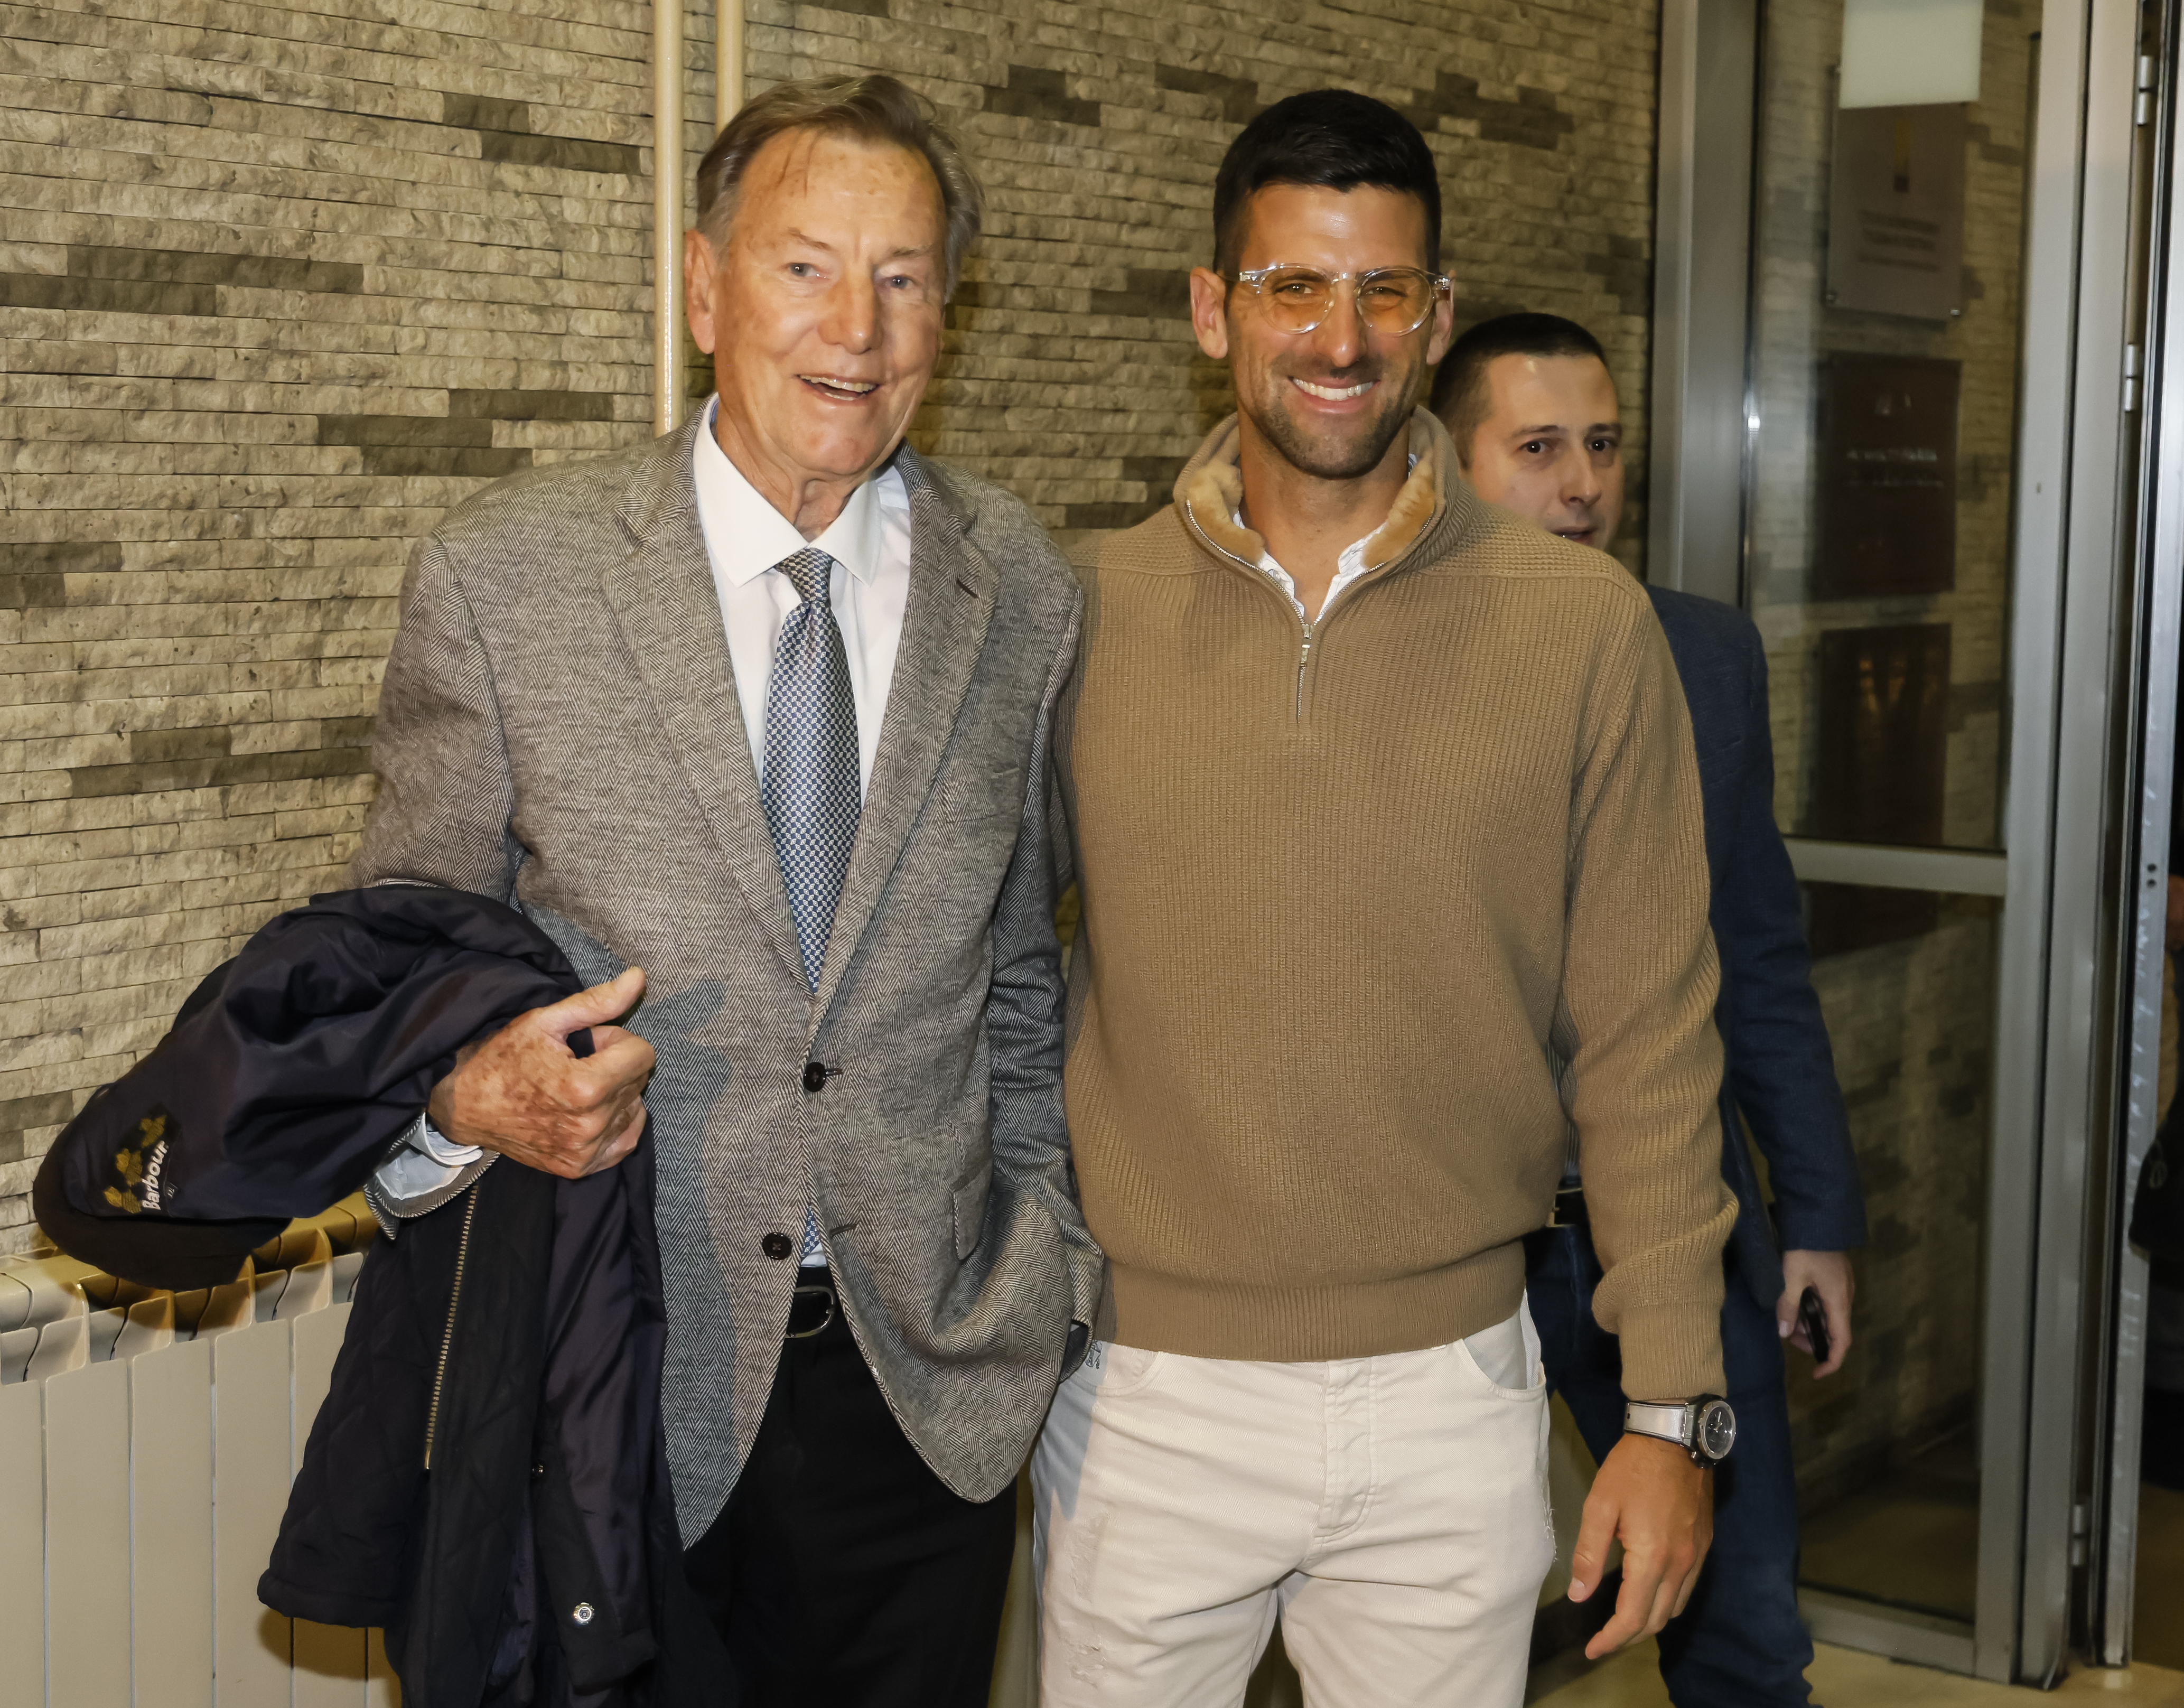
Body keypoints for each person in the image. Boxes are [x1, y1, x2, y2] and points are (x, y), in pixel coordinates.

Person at [352, 74, 1102, 1708]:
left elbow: (1025, 977)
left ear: (948, 313)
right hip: (612, 1372)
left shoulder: (1024, 587)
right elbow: (394, 967)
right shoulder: (505, 579)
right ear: (704, 288)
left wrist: (1042, 1261)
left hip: (928, 1394)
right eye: (805, 266)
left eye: (905, 277)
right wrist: (469, 1097)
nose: (859, 325)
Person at [1037, 90, 1738, 1708]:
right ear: (1216, 309)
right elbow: (990, 976)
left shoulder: (1582, 629)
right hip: (1145, 1397)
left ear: (1433, 315)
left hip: (1453, 1397)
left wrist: (1668, 1407)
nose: (1337, 336)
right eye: (1292, 285)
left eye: (1380, 292)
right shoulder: (1078, 611)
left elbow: (1649, 1038)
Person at [1432, 310, 1866, 1707]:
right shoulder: (1387, 661)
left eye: (1604, 447)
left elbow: (1761, 956)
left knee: (1744, 1626)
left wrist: (1818, 1215)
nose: (1582, 485)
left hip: (1673, 1227)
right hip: (1457, 1244)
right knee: (1440, 1631)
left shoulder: (1706, 657)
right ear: (1447, 458)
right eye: (1540, 447)